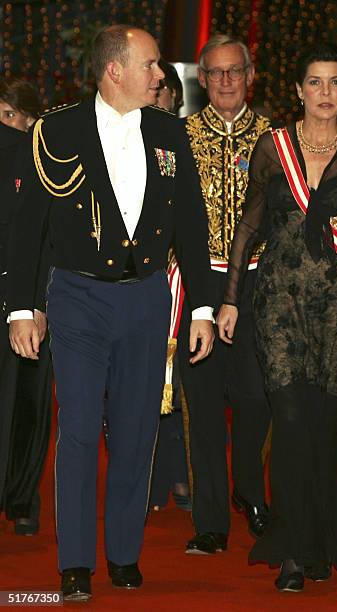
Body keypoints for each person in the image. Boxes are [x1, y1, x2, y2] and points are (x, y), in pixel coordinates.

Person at [7, 25, 214, 601]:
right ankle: (74, 561)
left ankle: (123, 553)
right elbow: (27, 228)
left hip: (147, 298)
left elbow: (192, 226)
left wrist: (200, 306)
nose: (160, 76)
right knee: (75, 430)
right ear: (115, 70)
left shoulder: (171, 132)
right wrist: (21, 306)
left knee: (135, 430)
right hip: (77, 298)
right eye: (150, 65)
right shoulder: (57, 130)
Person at [217, 41, 337, 592]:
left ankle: (320, 544)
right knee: (292, 419)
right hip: (277, 300)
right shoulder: (272, 148)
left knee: (324, 426)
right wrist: (230, 297)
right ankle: (293, 553)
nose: (327, 93)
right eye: (316, 83)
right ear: (298, 91)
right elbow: (248, 226)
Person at [180, 34, 271, 555]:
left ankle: (249, 488)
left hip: (257, 283)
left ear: (250, 74)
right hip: (201, 283)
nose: (225, 82)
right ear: (202, 79)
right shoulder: (179, 135)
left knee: (257, 395)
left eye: (234, 71)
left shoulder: (276, 138)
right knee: (204, 405)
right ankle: (211, 521)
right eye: (215, 73)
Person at [0, 77, 51, 538]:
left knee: (29, 400)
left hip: (29, 295)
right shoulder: (19, 154)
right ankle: (16, 496)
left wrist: (36, 302)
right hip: (14, 291)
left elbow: (43, 238)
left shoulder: (36, 159)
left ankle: (22, 498)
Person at [149, 59, 191, 513]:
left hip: (180, 274)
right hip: (135, 274)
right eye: (153, 89)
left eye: (164, 91)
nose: (158, 97)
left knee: (179, 386)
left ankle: (180, 475)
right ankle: (148, 481)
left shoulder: (184, 142)